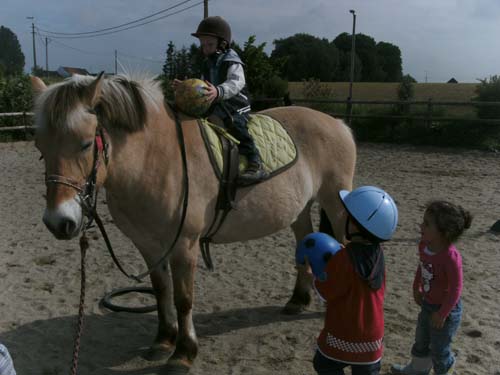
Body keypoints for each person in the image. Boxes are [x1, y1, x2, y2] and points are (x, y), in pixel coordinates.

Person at [303, 186, 398, 375]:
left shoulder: (343, 259)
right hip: (372, 340)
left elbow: (326, 292)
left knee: (324, 365)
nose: (343, 218)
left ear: (355, 226)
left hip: (344, 334)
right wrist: (343, 253)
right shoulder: (379, 254)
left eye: (347, 216)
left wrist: (310, 274)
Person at [174, 16, 267, 184]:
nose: (205, 49)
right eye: (203, 45)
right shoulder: (207, 62)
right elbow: (202, 84)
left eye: (209, 44)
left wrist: (219, 91)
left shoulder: (232, 60)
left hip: (236, 104)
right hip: (216, 102)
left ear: (222, 44)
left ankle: (255, 161)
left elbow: (237, 82)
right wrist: (186, 87)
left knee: (235, 124)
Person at [391, 200, 472, 375]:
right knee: (421, 340)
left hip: (446, 311)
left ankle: (445, 369)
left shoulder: (450, 257)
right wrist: (416, 287)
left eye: (427, 223)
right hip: (428, 304)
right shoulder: (424, 246)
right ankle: (418, 369)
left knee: (439, 348)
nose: (421, 226)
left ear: (443, 232)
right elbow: (422, 266)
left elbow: (456, 288)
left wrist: (443, 313)